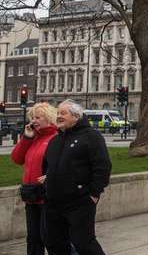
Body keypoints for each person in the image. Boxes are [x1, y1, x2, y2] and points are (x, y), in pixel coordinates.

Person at [43, 100, 111, 255]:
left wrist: (94, 194)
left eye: (63, 113)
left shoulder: (92, 137)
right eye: (58, 113)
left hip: (80, 201)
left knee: (83, 243)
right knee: (53, 243)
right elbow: (48, 165)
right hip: (53, 202)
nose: (58, 116)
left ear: (76, 116)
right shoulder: (56, 139)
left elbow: (102, 167)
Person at [11, 103, 61, 255]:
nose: (33, 121)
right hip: (31, 195)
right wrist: (26, 138)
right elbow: (17, 159)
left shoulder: (56, 138)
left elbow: (64, 164)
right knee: (33, 238)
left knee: (50, 238)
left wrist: (50, 176)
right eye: (32, 117)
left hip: (48, 196)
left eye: (38, 117)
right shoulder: (33, 137)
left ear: (48, 118)